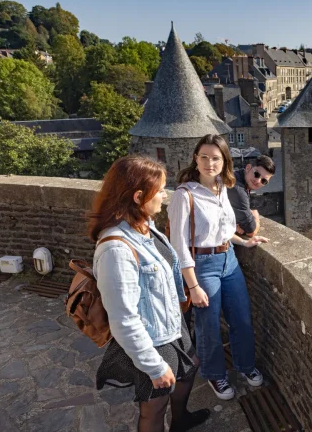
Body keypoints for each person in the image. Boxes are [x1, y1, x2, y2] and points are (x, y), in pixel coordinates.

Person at [89, 156, 209, 432]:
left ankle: (180, 421)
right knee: (154, 408)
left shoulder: (144, 226)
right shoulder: (115, 249)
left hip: (171, 325)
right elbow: (123, 319)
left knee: (188, 371)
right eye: (161, 189)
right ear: (138, 196)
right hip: (153, 339)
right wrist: (154, 367)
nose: (165, 195)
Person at [168, 134, 268, 401]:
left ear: (224, 160)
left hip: (229, 260)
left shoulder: (225, 187)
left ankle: (246, 366)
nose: (210, 163)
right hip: (202, 266)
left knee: (242, 319)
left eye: (216, 158)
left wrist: (243, 243)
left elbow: (222, 230)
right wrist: (193, 285)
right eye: (204, 157)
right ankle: (215, 374)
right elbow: (178, 245)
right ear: (195, 159)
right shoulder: (184, 195)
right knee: (208, 326)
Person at [229, 155, 276, 237]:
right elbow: (251, 231)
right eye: (256, 174)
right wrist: (256, 217)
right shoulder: (238, 188)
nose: (258, 181)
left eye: (264, 181)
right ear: (248, 168)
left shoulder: (236, 176)